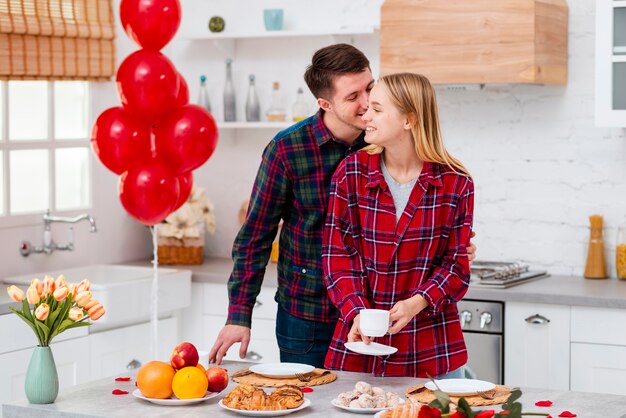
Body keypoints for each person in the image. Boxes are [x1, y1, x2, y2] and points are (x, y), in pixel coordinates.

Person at [209, 44, 475, 368]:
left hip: (382, 315)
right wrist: (239, 315)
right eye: (353, 97)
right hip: (311, 317)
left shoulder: (385, 139)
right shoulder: (288, 150)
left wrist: (454, 248)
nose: (366, 105)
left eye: (370, 89)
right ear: (325, 103)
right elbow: (255, 237)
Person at [322, 73, 474, 378]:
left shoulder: (456, 182)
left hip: (430, 350)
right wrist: (357, 312)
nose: (366, 115)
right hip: (360, 350)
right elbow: (337, 257)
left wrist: (418, 302)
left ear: (408, 120)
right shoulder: (350, 173)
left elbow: (456, 266)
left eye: (377, 109)